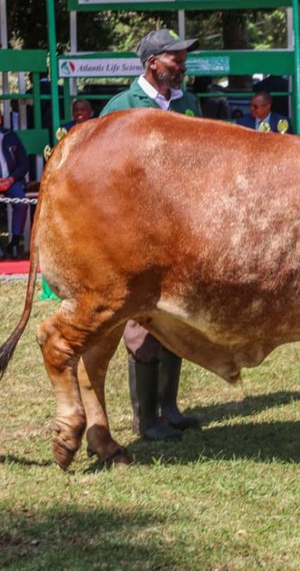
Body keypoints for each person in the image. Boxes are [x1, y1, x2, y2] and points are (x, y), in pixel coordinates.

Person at [100, 29, 203, 443]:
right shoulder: (122, 107)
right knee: (142, 321)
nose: (182, 65)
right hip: (137, 234)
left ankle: (169, 407)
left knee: (174, 318)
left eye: (184, 58)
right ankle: (146, 419)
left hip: (181, 232)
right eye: (175, 58)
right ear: (152, 63)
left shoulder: (189, 104)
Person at [0, 125, 32, 258]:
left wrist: (10, 180)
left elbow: (24, 164)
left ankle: (15, 242)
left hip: (11, 181)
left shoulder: (10, 136)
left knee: (21, 203)